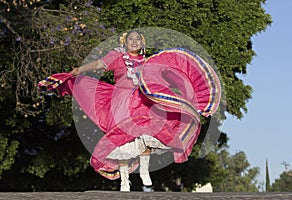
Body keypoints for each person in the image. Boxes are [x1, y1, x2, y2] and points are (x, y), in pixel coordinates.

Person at [38, 30, 221, 192]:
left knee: (147, 132)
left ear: (142, 43)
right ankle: (125, 180)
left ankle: (143, 171)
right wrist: (80, 69)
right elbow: (99, 64)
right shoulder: (117, 56)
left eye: (137, 39)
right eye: (130, 39)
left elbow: (166, 74)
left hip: (142, 99)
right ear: (124, 43)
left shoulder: (148, 61)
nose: (134, 42)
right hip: (121, 102)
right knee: (122, 139)